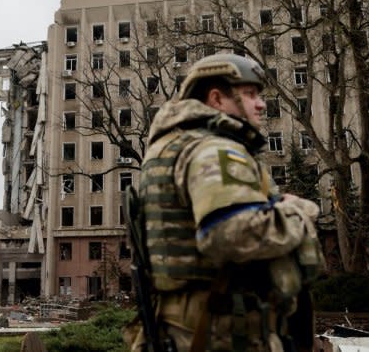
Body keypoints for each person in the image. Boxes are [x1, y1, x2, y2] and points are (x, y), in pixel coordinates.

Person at [125, 54, 324, 352]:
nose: (260, 104)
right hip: (222, 331)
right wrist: (299, 211)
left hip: (190, 328)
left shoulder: (176, 145)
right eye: (249, 94)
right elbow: (229, 232)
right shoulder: (214, 149)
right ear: (217, 99)